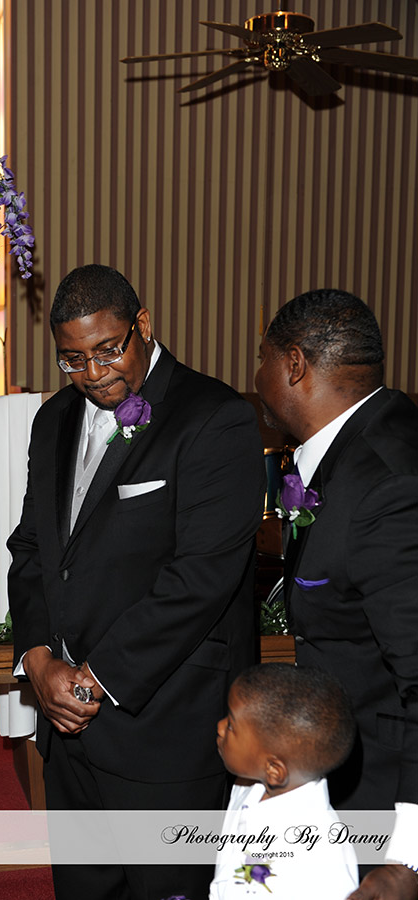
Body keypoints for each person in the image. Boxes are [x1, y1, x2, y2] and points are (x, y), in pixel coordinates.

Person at [8, 263, 266, 900]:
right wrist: (37, 659)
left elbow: (202, 578)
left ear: (143, 325)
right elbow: (34, 549)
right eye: (73, 359)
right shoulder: (53, 419)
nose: (93, 374)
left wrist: (95, 680)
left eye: (108, 350)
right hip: (64, 722)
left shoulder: (215, 416)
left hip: (166, 724)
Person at [255, 289, 418, 900]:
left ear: (293, 364)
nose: (257, 375)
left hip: (383, 793)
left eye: (263, 358)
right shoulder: (368, 437)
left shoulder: (387, 486)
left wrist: (407, 857)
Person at [210, 662, 359, 899]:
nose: (219, 727)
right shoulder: (248, 785)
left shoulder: (323, 857)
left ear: (274, 770)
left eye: (231, 725)